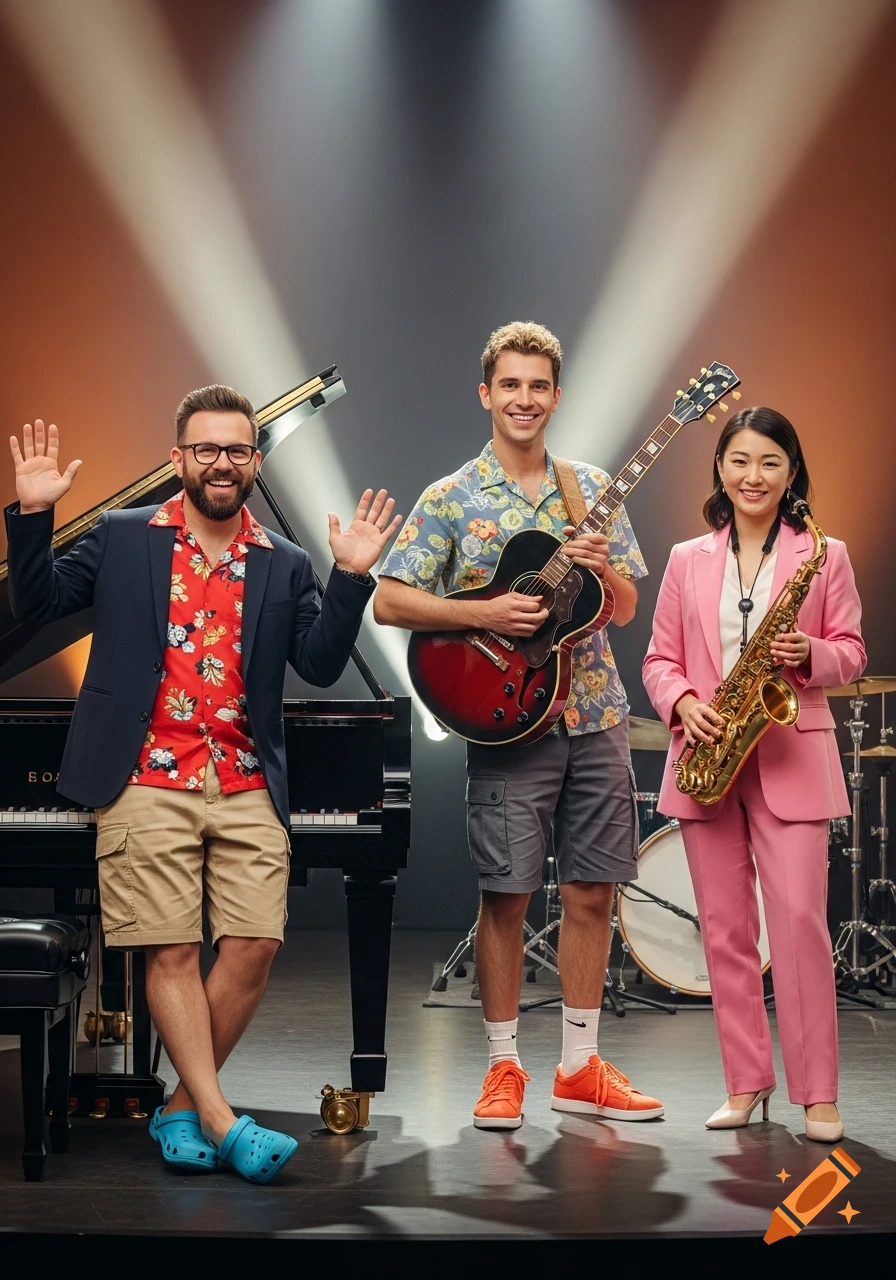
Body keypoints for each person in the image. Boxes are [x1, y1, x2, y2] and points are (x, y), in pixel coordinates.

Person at [6, 385, 401, 1181]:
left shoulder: (284, 564)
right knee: (175, 949)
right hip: (143, 776)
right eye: (206, 449)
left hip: (246, 778)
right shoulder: (123, 539)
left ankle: (181, 1106)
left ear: (256, 461)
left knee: (255, 944)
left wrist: (352, 577)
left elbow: (319, 664)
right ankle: (220, 1121)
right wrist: (32, 516)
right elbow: (37, 604)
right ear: (178, 458)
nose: (222, 463)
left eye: (237, 450)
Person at [374, 321, 664, 1130]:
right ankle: (504, 1069)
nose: (525, 399)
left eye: (539, 386)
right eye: (511, 384)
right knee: (504, 896)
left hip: (598, 714)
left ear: (556, 397)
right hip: (508, 723)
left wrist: (603, 567)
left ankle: (579, 1065)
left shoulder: (590, 487)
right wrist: (484, 610)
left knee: (591, 892)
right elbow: (392, 598)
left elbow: (628, 607)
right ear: (486, 394)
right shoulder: (450, 497)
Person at [642, 406, 865, 1142]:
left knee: (800, 928)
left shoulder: (823, 555)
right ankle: (746, 1084)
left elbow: (853, 654)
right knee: (725, 933)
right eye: (739, 460)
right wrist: (682, 702)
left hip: (791, 751)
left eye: (769, 462)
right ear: (720, 470)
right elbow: (659, 659)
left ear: (792, 472)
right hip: (709, 756)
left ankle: (818, 1095)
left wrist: (813, 655)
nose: (753, 475)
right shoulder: (684, 558)